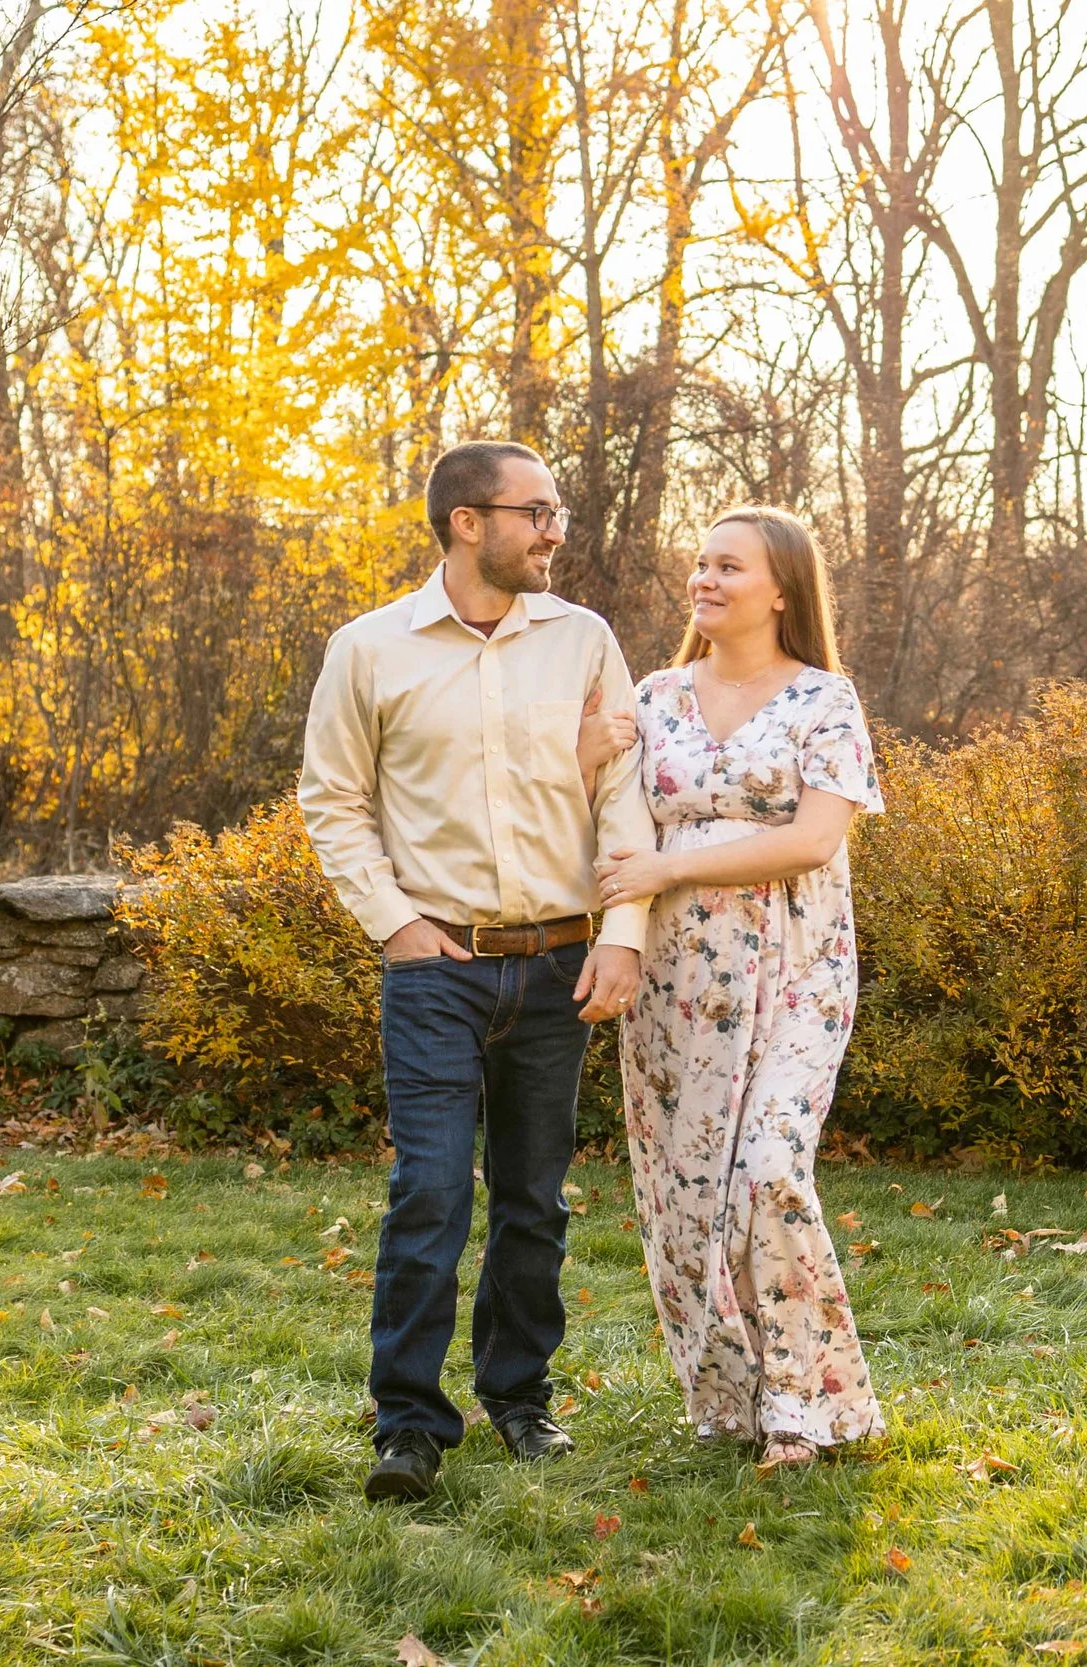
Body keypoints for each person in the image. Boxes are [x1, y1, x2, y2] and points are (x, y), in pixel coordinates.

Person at [298, 440, 652, 1505]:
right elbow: (333, 798)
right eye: (537, 512)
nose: (555, 531)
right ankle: (408, 1421)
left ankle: (518, 1395)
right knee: (429, 1193)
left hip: (557, 964)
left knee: (534, 1200)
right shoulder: (370, 649)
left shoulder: (584, 640)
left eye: (558, 511)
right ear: (467, 521)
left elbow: (622, 794)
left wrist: (622, 927)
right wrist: (394, 923)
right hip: (434, 968)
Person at [582, 505, 886, 1471]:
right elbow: (614, 815)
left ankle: (809, 1399)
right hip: (677, 983)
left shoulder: (825, 699)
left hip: (795, 971)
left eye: (729, 566)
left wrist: (669, 872)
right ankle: (731, 1393)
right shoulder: (655, 695)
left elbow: (814, 838)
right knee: (685, 1195)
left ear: (781, 590)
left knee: (765, 1171)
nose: (704, 579)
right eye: (701, 563)